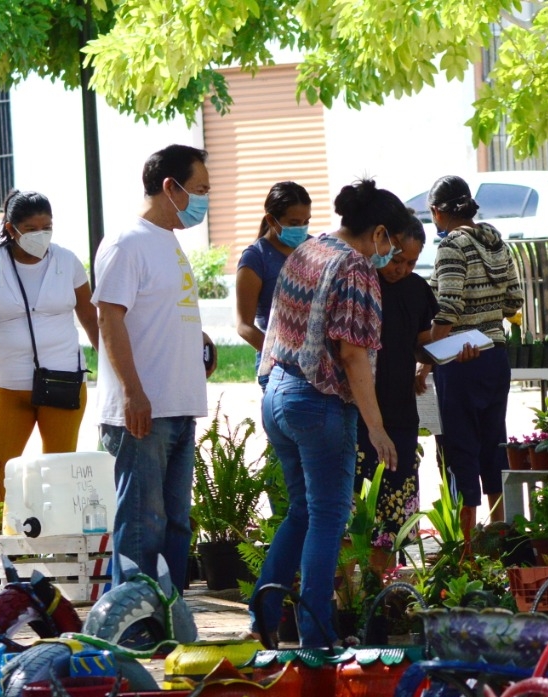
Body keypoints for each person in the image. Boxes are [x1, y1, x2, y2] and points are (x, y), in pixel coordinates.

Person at [250, 179, 404, 647]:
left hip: (277, 392)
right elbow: (353, 355)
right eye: (392, 243)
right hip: (318, 403)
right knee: (329, 516)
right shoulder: (355, 268)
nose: (390, 253)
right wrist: (377, 427)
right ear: (378, 232)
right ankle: (317, 637)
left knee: (301, 512)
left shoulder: (307, 251)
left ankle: (264, 618)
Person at [94, 144, 217, 592]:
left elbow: (157, 308)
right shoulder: (128, 242)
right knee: (143, 526)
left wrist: (196, 339)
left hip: (178, 405)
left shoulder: (167, 241)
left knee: (174, 526)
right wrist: (132, 392)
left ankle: (167, 617)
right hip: (144, 410)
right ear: (171, 187)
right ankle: (133, 620)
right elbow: (109, 315)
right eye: (199, 189)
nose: (204, 198)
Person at [0, 190, 99, 502]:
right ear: (11, 230)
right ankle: (0, 546)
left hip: (63, 381)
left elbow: (91, 319)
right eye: (32, 229)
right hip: (8, 386)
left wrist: (113, 366)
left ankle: (58, 542)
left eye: (47, 227)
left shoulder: (67, 262)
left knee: (60, 474)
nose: (42, 235)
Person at [426, 175, 523, 545]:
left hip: (460, 360)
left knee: (461, 449)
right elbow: (514, 302)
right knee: (493, 443)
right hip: (495, 357)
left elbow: (448, 307)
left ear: (438, 212)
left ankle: (465, 546)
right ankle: (498, 538)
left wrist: (428, 354)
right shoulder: (498, 243)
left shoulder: (452, 246)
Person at [355, 214, 441, 566]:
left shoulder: (418, 289)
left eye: (411, 262)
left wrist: (436, 358)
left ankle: (381, 589)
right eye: (396, 259)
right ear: (383, 244)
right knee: (356, 516)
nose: (401, 269)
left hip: (402, 415)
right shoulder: (359, 284)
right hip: (361, 414)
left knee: (392, 519)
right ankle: (349, 597)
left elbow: (421, 342)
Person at [235, 181, 313, 384]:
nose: (302, 229)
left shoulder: (316, 248)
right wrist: (281, 356)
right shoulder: (255, 258)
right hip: (278, 369)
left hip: (318, 365)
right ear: (271, 220)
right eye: (294, 223)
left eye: (306, 222)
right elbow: (244, 325)